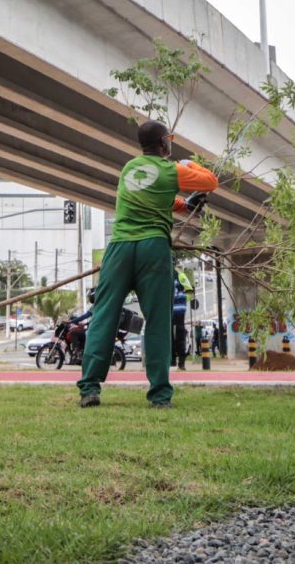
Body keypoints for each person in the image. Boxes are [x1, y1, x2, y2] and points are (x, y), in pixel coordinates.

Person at [77, 120, 218, 409]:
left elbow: (150, 196)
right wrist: (190, 163)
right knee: (157, 320)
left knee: (104, 315)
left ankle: (89, 389)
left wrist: (183, 205)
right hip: (152, 247)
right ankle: (160, 395)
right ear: (165, 142)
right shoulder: (173, 170)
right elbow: (210, 182)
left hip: (118, 248)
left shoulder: (129, 168)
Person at [172, 270, 196, 370]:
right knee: (168, 338)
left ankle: (181, 364)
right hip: (168, 311)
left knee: (180, 337)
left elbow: (190, 291)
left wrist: (182, 299)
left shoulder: (180, 276)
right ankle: (171, 361)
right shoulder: (163, 275)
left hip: (179, 310)